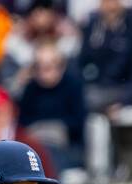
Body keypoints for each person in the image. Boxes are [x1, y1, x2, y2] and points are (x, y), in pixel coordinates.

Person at [17, 43, 88, 171]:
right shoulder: (31, 88)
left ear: (61, 67)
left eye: (48, 67)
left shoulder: (73, 86)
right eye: (38, 67)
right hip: (35, 145)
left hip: (67, 148)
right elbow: (23, 121)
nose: (42, 72)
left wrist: (55, 128)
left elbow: (78, 122)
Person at [79, 0, 132, 115]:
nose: (110, 6)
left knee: (86, 100)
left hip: (124, 91)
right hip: (97, 88)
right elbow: (81, 63)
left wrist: (124, 102)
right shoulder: (93, 26)